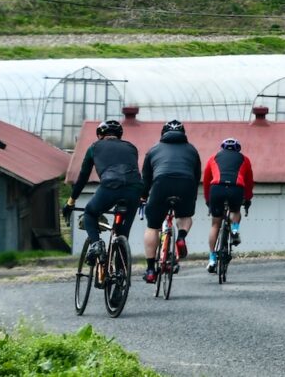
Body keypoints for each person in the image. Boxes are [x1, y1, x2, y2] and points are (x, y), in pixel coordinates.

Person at [64, 120, 144, 262]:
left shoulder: (94, 147)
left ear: (100, 135)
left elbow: (83, 178)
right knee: (123, 234)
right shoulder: (131, 147)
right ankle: (122, 276)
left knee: (90, 213)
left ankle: (96, 244)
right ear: (119, 135)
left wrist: (71, 202)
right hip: (134, 190)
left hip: (110, 187)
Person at [140, 119, 202, 284]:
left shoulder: (153, 150)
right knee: (185, 216)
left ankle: (151, 270)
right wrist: (192, 196)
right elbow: (197, 176)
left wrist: (143, 196)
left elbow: (145, 179)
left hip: (162, 183)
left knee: (152, 227)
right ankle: (181, 237)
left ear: (163, 133)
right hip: (186, 183)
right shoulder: (192, 150)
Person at [202, 137, 254, 273]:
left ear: (222, 148)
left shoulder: (213, 158)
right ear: (238, 149)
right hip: (236, 188)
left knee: (215, 224)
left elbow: (206, 181)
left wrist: (208, 200)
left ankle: (212, 259)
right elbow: (249, 182)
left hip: (216, 189)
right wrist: (248, 199)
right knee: (235, 211)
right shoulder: (245, 159)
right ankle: (235, 230)